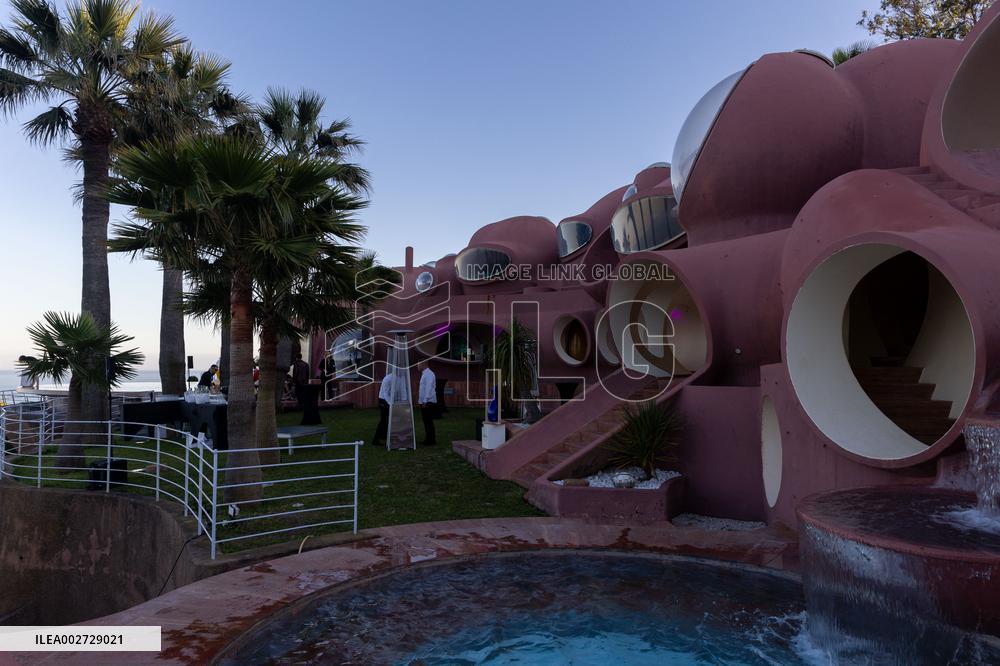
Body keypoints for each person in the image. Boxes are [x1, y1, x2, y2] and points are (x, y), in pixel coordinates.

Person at [417, 360, 438, 445]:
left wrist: (425, 401)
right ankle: (428, 439)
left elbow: (428, 388)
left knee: (428, 421)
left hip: (428, 402)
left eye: (418, 365)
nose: (417, 367)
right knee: (426, 421)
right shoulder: (425, 374)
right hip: (425, 402)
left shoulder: (429, 374)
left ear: (423, 364)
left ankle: (431, 440)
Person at [372, 372, 393, 446]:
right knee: (384, 420)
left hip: (389, 400)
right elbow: (385, 393)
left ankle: (384, 437)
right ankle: (376, 440)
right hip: (383, 400)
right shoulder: (388, 378)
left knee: (387, 420)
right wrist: (391, 404)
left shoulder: (399, 378)